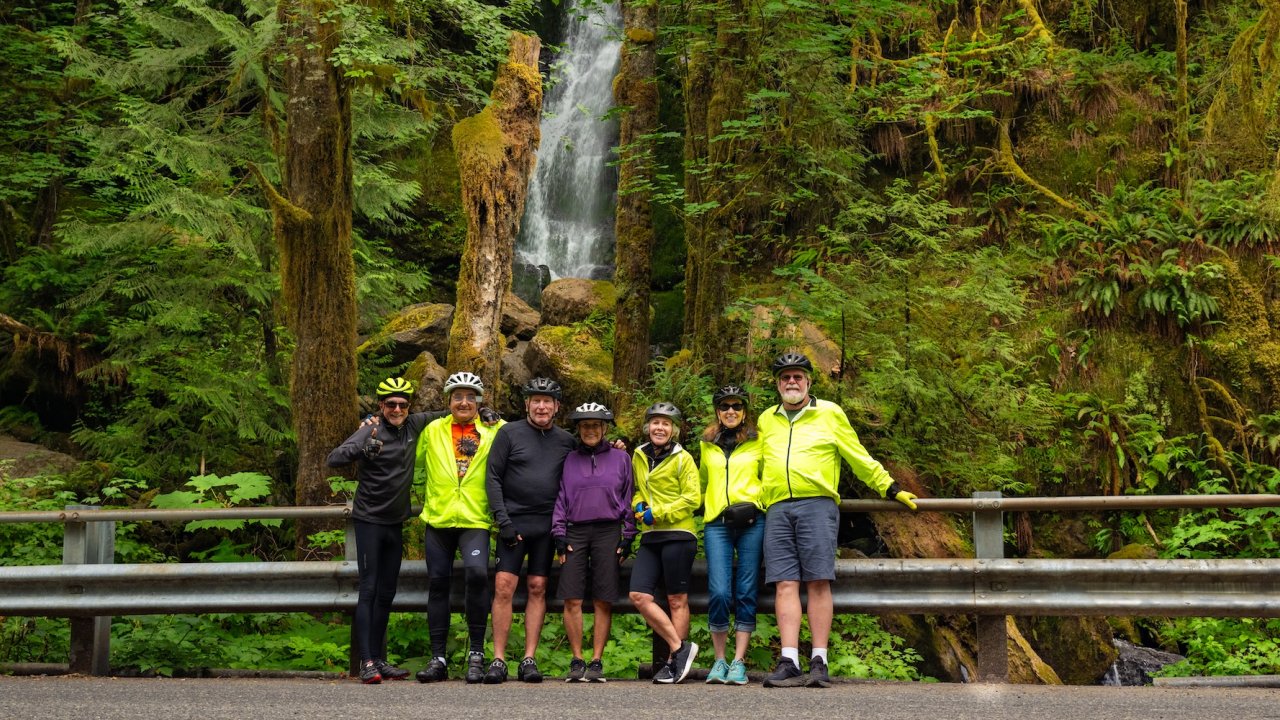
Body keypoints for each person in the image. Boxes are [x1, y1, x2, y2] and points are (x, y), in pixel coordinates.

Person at [757, 352, 918, 688]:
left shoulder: (829, 413)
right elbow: (753, 465)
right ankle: (789, 659)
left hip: (817, 505)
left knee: (817, 581)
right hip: (777, 508)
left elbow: (857, 455)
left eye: (797, 376)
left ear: (808, 382)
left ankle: (819, 660)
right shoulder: (765, 420)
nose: (791, 382)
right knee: (784, 583)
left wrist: (889, 486)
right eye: (785, 377)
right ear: (777, 384)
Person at [326, 377, 425, 684]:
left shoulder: (414, 425)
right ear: (381, 406)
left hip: (395, 523)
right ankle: (366, 661)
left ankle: (380, 659)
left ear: (409, 407)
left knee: (387, 592)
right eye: (391, 404)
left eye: (402, 404)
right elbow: (334, 458)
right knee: (369, 590)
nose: (397, 409)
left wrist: (487, 415)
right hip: (369, 521)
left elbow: (453, 412)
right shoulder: (369, 428)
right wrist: (361, 449)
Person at [414, 372, 506, 684]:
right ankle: (438, 656)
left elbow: (529, 440)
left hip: (475, 519)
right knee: (438, 583)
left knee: (478, 576)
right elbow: (403, 455)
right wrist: (370, 427)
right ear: (448, 401)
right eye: (457, 396)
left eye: (471, 397)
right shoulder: (433, 430)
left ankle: (477, 654)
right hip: (438, 518)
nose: (464, 402)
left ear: (479, 401)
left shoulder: (494, 430)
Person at [483, 377, 576, 684]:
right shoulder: (508, 433)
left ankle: (529, 658)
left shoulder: (566, 440)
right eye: (535, 400)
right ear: (526, 404)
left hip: (547, 526)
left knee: (538, 587)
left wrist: (614, 447)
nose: (541, 406)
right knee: (503, 587)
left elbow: (586, 466)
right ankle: (497, 659)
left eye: (547, 401)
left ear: (556, 406)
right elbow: (493, 477)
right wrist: (503, 520)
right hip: (514, 523)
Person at [551, 402, 637, 682]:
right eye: (585, 425)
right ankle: (577, 660)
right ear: (579, 429)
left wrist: (628, 536)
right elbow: (561, 495)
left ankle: (597, 661)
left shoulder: (621, 458)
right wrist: (559, 533)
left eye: (596, 425)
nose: (590, 430)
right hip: (575, 529)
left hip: (608, 530)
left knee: (603, 598)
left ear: (604, 429)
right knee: (572, 597)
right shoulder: (569, 459)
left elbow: (628, 497)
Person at [628, 401, 701, 685]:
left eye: (666, 424)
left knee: (675, 599)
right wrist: (638, 507)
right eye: (656, 423)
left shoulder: (683, 459)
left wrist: (657, 512)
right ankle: (680, 648)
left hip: (679, 534)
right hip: (650, 536)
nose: (660, 428)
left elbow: (692, 498)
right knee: (639, 595)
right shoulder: (639, 455)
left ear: (674, 430)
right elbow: (637, 490)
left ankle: (673, 664)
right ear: (648, 427)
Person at [698, 385, 765, 686]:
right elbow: (701, 482)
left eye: (736, 406)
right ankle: (719, 659)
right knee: (720, 592)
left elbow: (770, 476)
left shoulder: (758, 441)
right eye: (725, 406)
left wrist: (757, 502)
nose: (731, 412)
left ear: (745, 411)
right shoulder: (706, 443)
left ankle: (738, 661)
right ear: (717, 411)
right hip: (717, 523)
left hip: (752, 521)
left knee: (747, 590)